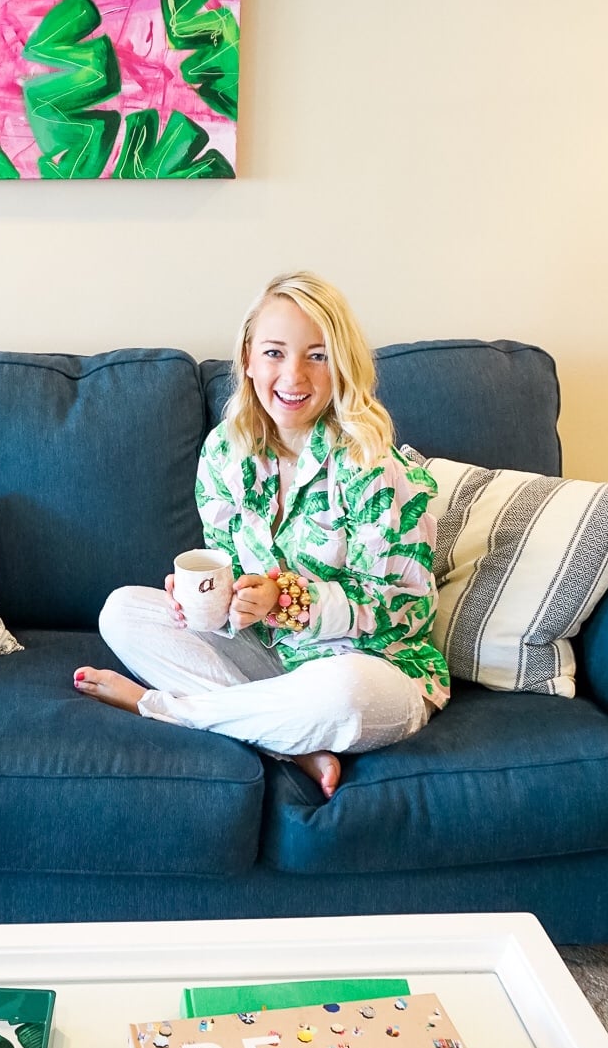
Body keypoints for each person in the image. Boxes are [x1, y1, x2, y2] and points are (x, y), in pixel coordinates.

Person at [73, 270, 450, 799]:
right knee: (122, 611)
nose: (293, 375)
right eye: (275, 352)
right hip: (273, 661)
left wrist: (289, 599)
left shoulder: (373, 464)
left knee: (343, 693)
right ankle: (289, 742)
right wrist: (212, 604)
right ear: (248, 358)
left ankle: (160, 707)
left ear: (341, 365)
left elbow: (402, 609)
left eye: (317, 355)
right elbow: (234, 580)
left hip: (376, 670)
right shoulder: (225, 452)